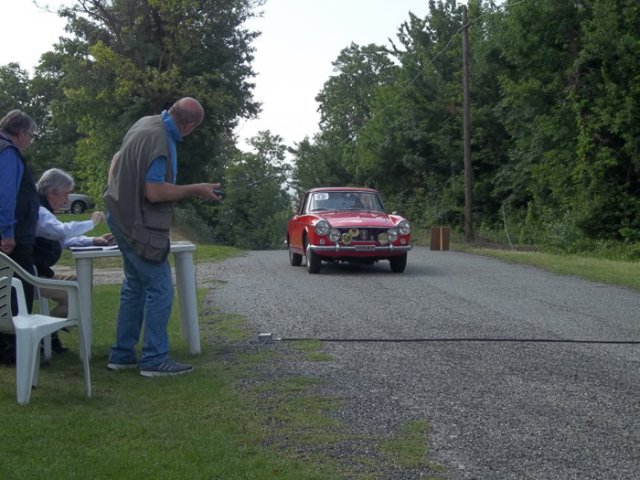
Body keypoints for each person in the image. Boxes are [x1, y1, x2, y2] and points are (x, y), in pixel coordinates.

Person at [104, 97, 222, 377]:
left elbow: (116, 160)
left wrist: (118, 200)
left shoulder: (144, 123)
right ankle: (154, 360)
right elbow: (154, 192)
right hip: (136, 221)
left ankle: (122, 355)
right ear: (190, 125)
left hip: (119, 212)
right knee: (160, 288)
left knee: (134, 286)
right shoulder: (160, 141)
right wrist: (196, 189)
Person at [34, 168, 113, 352]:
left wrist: (93, 240)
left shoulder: (41, 209)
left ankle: (48, 335)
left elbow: (62, 240)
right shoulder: (38, 211)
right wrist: (91, 223)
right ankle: (45, 335)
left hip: (37, 273)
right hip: (30, 276)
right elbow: (61, 231)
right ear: (51, 192)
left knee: (81, 284)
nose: (67, 200)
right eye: (65, 194)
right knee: (79, 291)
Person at [0, 110, 40, 364]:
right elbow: (6, 194)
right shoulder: (9, 152)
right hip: (15, 237)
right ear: (20, 133)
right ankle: (14, 351)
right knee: (19, 291)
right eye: (31, 136)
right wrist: (8, 232)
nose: (30, 141)